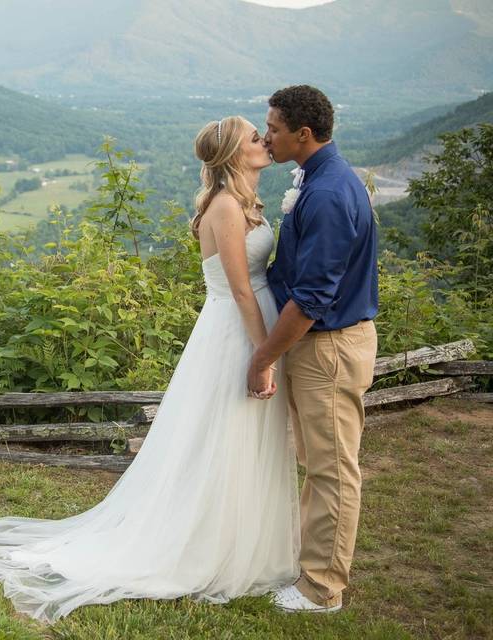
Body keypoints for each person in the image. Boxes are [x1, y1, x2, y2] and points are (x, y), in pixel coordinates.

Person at [0, 116, 300, 624]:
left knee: (247, 439)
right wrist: (260, 356)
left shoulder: (245, 202)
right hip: (235, 333)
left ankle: (245, 542)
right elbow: (242, 289)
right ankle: (204, 547)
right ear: (231, 153)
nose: (264, 141)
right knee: (222, 438)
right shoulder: (225, 207)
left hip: (255, 324)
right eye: (254, 137)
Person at [247, 85, 379, 614]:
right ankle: (309, 564)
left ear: (304, 134)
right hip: (316, 344)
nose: (265, 136)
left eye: (274, 128)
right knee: (316, 460)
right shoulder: (318, 177)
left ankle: (322, 589)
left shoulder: (326, 194)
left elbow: (313, 298)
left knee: (331, 467)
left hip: (328, 347)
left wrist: (263, 357)